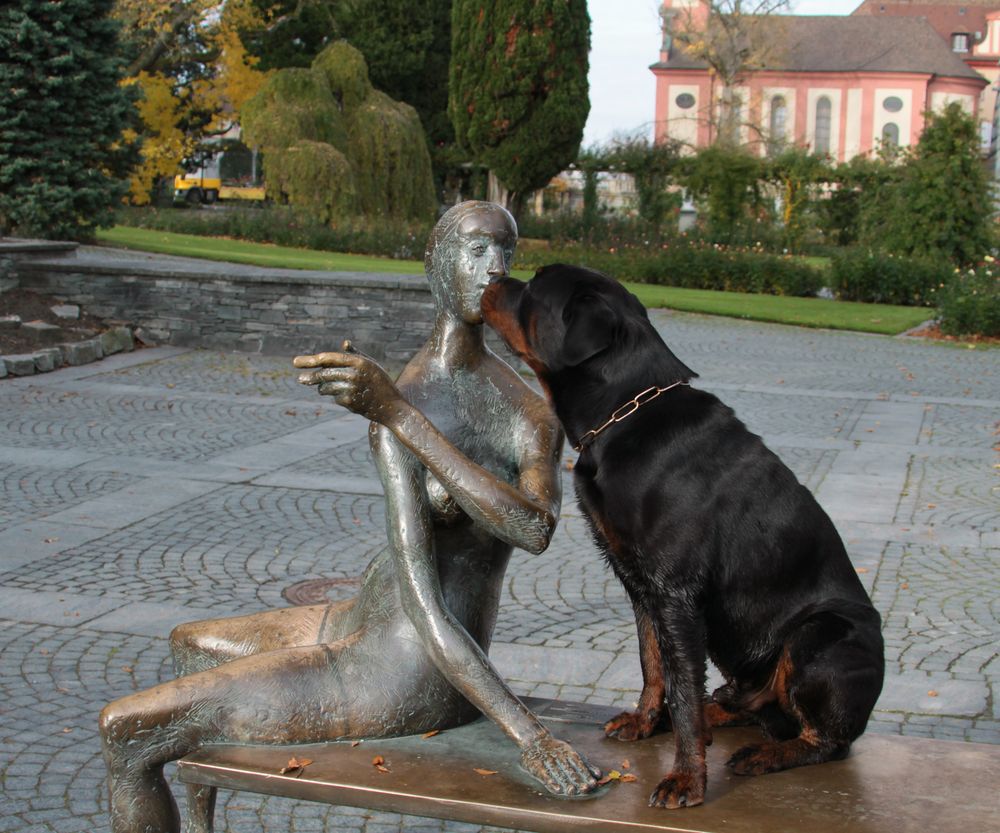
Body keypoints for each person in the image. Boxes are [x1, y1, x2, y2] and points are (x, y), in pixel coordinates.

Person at [99, 201, 600, 833]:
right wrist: (396, 412)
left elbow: (531, 528)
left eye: (505, 253)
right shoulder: (407, 391)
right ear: (437, 264)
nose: (494, 269)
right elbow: (411, 577)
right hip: (365, 619)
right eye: (475, 251)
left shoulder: (514, 409)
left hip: (409, 665)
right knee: (189, 644)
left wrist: (528, 735)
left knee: (125, 732)